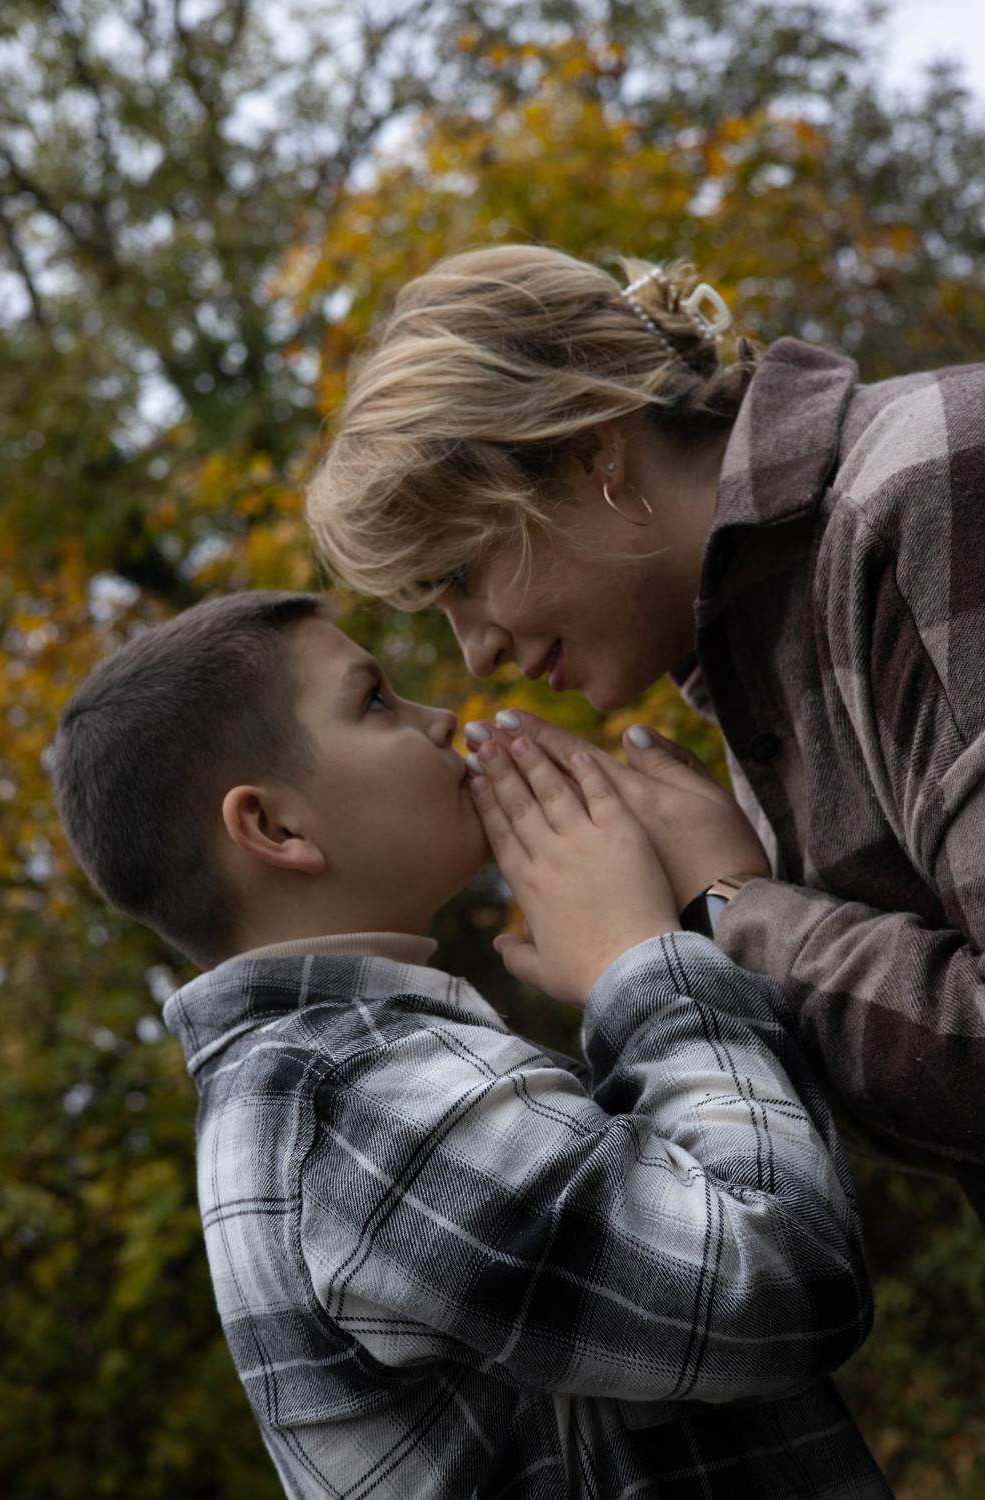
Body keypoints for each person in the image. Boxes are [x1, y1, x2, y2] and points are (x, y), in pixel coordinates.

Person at [51, 589, 889, 1498]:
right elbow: (787, 1277)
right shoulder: (354, 1105)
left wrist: (687, 937)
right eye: (375, 700)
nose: (441, 717)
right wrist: (643, 960)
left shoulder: (323, 1086)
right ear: (274, 828)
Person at [307, 243, 985, 1223]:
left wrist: (728, 913)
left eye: (463, 577)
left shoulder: (924, 493)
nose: (477, 656)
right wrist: (684, 943)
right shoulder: (755, 653)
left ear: (594, 452)